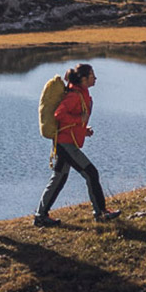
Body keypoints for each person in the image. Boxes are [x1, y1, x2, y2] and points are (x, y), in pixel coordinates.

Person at [34, 62, 119, 224]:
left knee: (59, 178)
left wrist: (83, 129)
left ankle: (40, 216)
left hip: (64, 142)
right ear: (83, 79)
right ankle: (101, 213)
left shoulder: (81, 93)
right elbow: (59, 114)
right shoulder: (74, 95)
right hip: (65, 145)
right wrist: (79, 120)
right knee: (91, 173)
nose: (95, 78)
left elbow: (70, 121)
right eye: (92, 75)